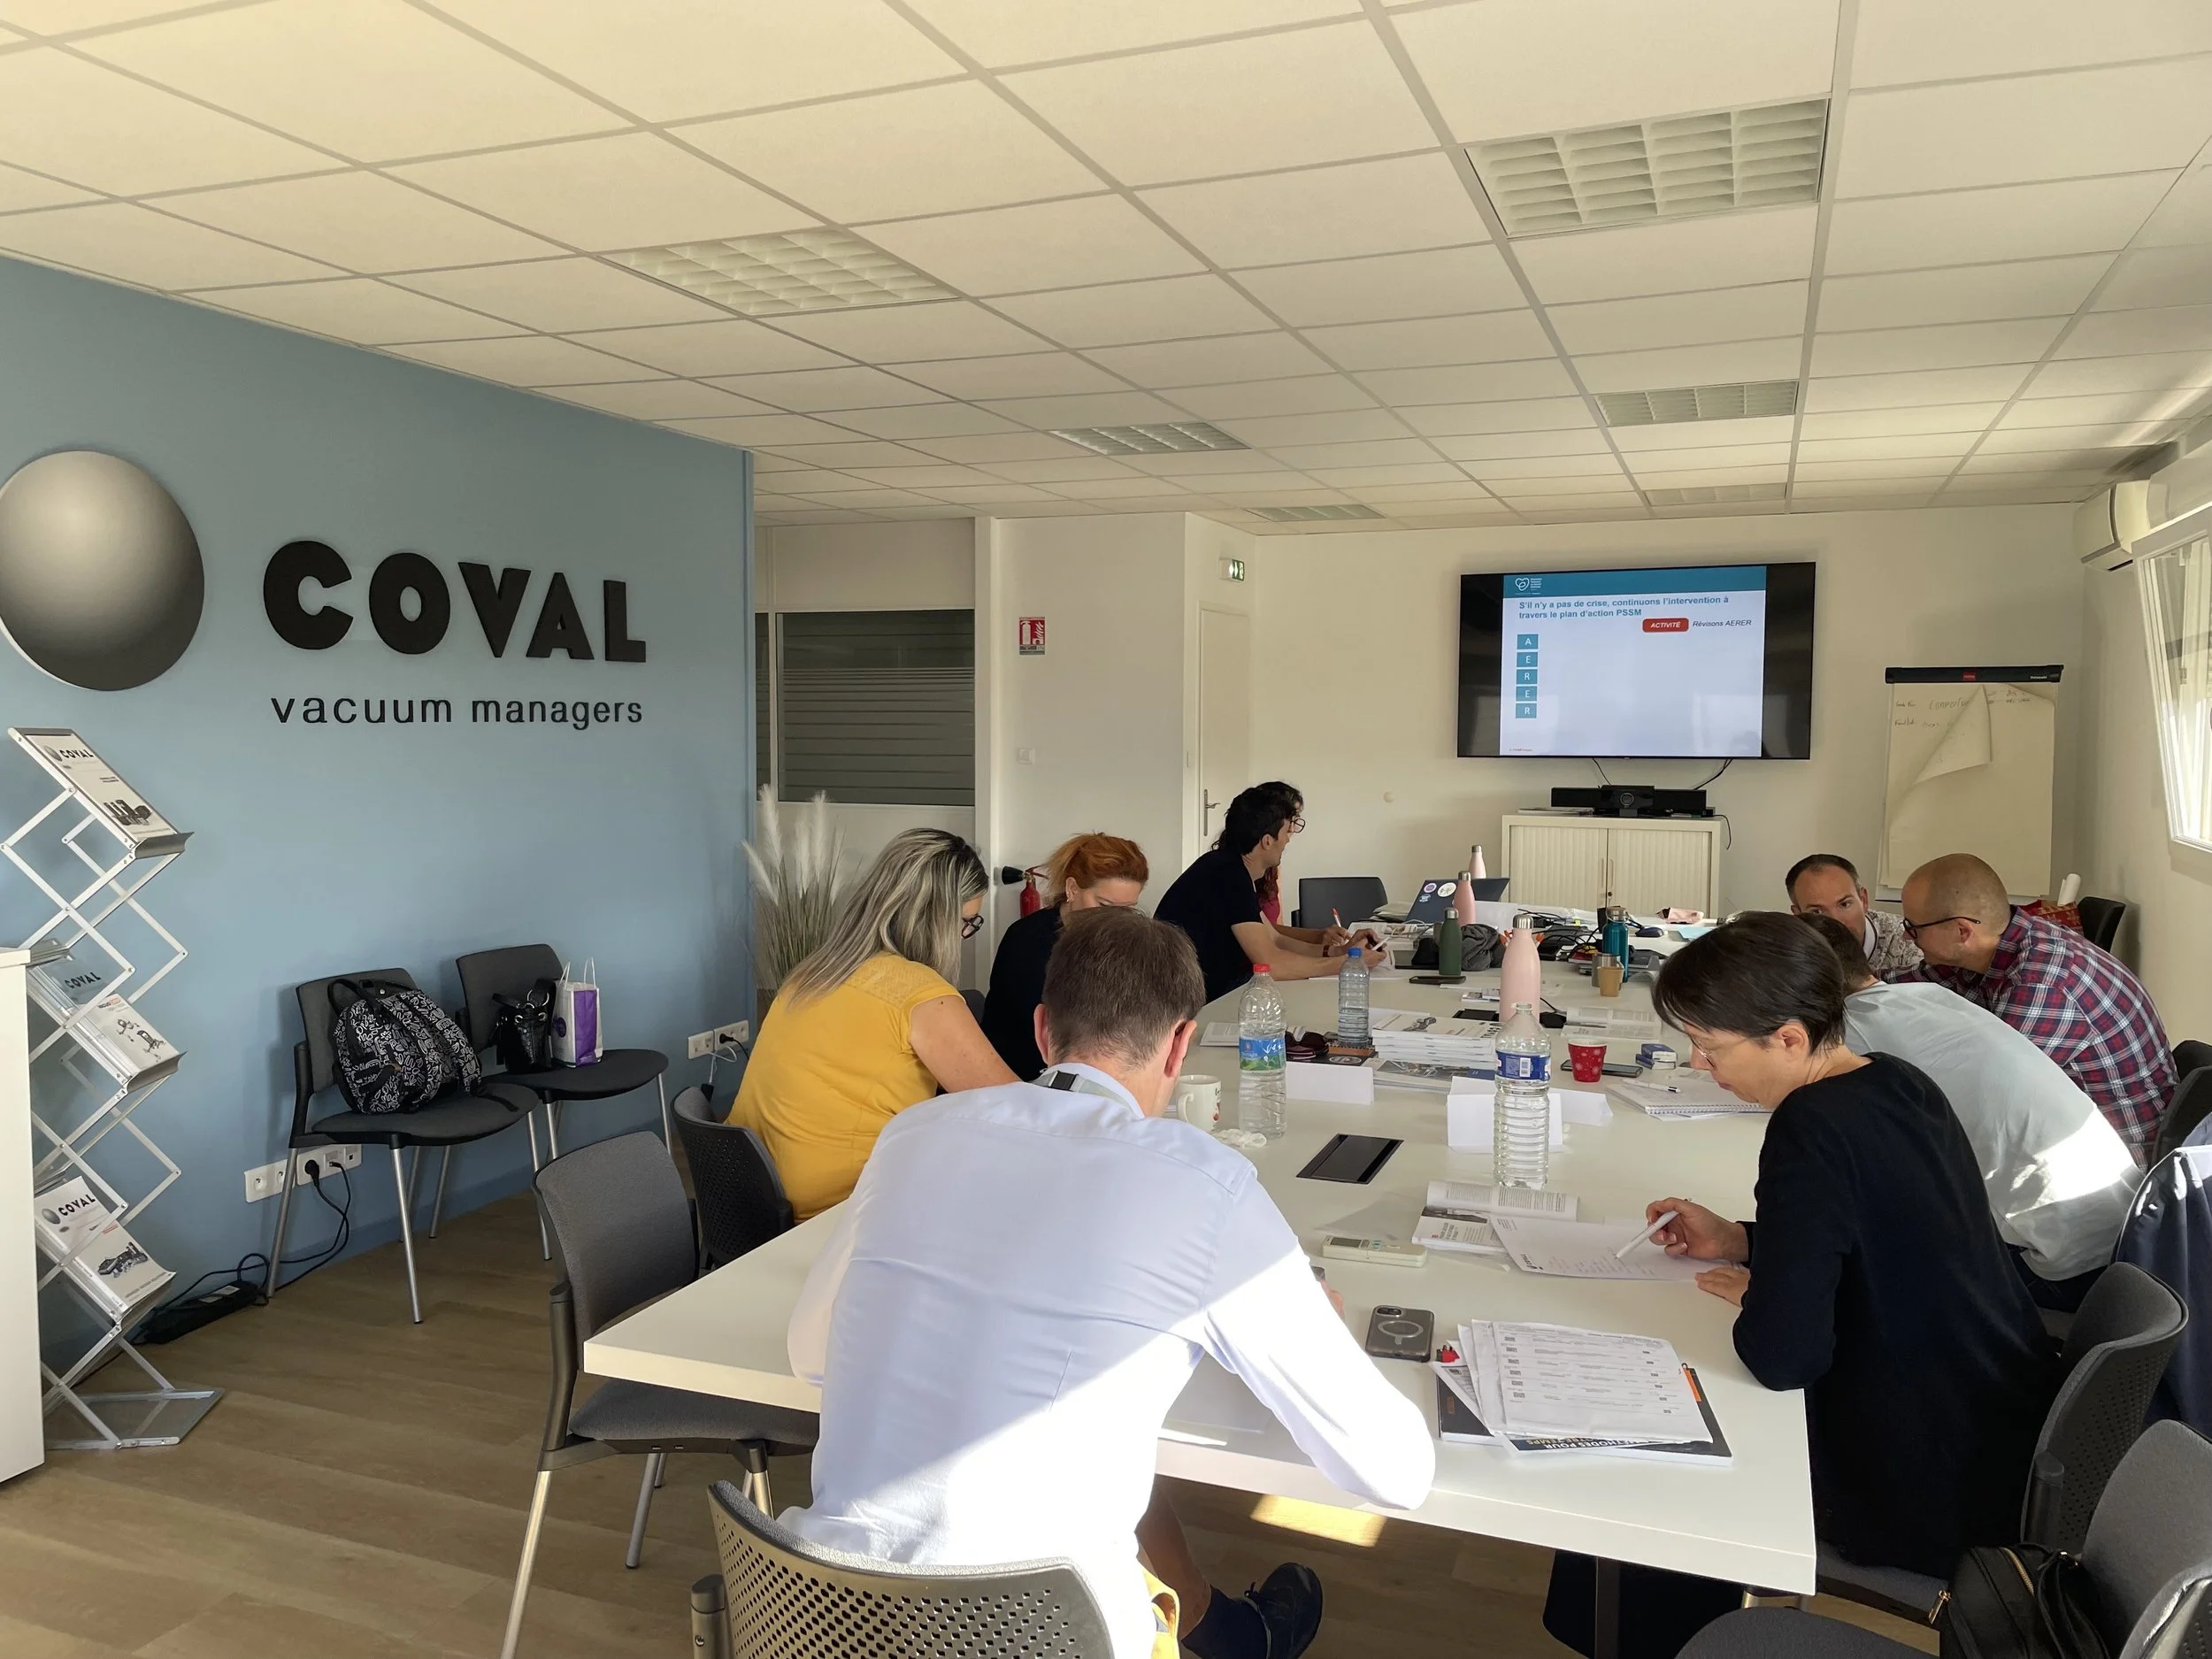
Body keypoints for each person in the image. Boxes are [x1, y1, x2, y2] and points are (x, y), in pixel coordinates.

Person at [784, 906, 1434, 1659]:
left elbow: (810, 1353)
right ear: (1181, 1044)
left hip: (817, 1620)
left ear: (1040, 1030)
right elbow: (1396, 1471)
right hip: (1035, 1635)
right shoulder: (1203, 1183)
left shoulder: (912, 1134)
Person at [1548, 913, 2057, 1659]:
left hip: (1920, 1476)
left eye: (1711, 1046)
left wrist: (1770, 1293)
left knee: (1653, 1460)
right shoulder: (1897, 1081)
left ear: (1788, 1038)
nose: (1698, 1062)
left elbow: (1783, 1356)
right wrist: (1744, 1241)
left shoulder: (1809, 1127)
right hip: (1990, 1426)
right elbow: (1885, 1238)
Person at [1801, 913, 2139, 1310]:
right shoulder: (1927, 996)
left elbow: (1863, 1179)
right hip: (2124, 1235)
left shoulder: (1854, 1039)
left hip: (2066, 1267)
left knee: (1868, 1273)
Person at [728, 828, 1015, 1220]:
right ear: (934, 920)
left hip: (751, 1196)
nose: (965, 937)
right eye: (966, 922)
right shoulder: (920, 993)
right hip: (837, 1212)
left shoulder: (812, 973)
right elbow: (1013, 1114)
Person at [1901, 852, 2173, 1161]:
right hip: (2075, 1133)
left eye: (1914, 927)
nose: (1907, 936)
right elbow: (1914, 980)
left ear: (1962, 931)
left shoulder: (2041, 985)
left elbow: (1981, 1100)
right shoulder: (2008, 941)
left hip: (2122, 1165)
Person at [1155, 782, 1380, 1005]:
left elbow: (1274, 938)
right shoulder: (1229, 875)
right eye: (1286, 831)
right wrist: (1347, 964)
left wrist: (1339, 952)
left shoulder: (1228, 866)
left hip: (1197, 990)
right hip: (1191, 1000)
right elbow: (1271, 964)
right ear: (1267, 841)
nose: (1288, 839)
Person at [980, 832, 1148, 1079]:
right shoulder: (1028, 941)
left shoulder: (1125, 938)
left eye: (1127, 910)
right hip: (1024, 1076)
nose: (1115, 919)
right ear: (1072, 889)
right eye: (1104, 905)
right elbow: (1045, 1036)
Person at [1784, 852, 1922, 976]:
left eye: (1844, 904)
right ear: (1798, 915)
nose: (1836, 922)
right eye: (1817, 912)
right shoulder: (1790, 953)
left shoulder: (1910, 943)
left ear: (1864, 900)